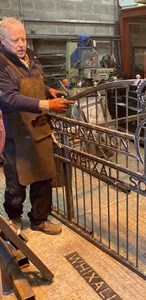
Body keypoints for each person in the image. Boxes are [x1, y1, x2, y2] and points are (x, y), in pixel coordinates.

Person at [0, 17, 74, 235]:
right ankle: (14, 217)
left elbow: (37, 80)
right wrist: (48, 104)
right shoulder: (2, 64)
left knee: (43, 176)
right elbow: (8, 99)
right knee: (16, 183)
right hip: (16, 132)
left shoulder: (31, 56)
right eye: (15, 40)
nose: (21, 44)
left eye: (23, 38)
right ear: (2, 40)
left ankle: (39, 219)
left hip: (39, 129)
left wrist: (49, 90)